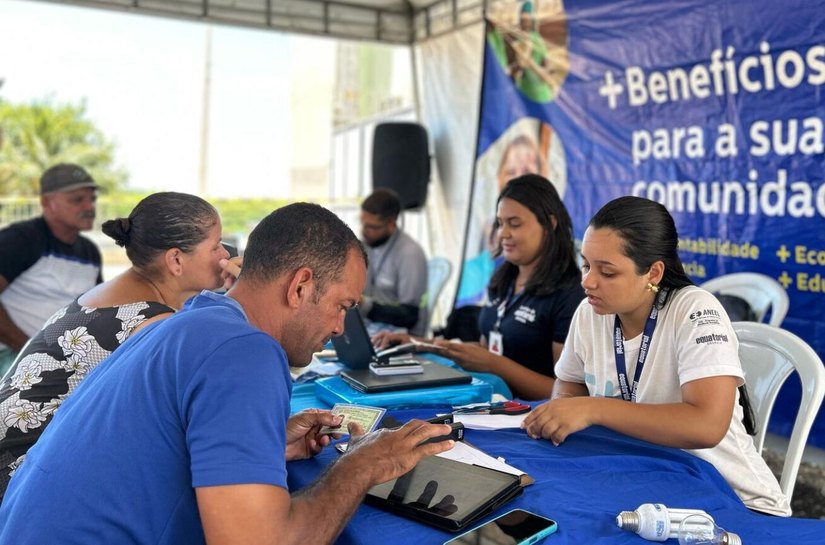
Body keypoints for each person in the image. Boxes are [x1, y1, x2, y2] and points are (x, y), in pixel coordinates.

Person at [0, 202, 454, 543]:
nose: (339, 327)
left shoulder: (194, 320)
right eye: (342, 306)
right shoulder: (246, 351)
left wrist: (264, 448)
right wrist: (362, 464)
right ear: (300, 286)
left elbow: (158, 449)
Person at [522, 196, 790, 516]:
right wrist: (565, 411)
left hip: (731, 499)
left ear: (653, 273)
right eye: (586, 264)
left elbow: (707, 425)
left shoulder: (695, 312)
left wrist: (594, 408)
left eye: (607, 272)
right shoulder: (589, 313)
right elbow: (569, 389)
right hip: (643, 483)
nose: (588, 282)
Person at [0, 191, 241, 498]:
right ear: (176, 260)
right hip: (22, 481)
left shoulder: (113, 294)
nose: (225, 255)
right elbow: (191, 419)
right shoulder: (152, 324)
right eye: (215, 245)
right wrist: (246, 299)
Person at [375, 175, 584, 400]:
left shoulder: (570, 295)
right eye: (500, 223)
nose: (503, 233)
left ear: (549, 224)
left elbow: (567, 395)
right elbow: (487, 350)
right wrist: (419, 344)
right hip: (490, 402)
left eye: (514, 224)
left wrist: (496, 365)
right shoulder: (503, 279)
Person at [0, 164, 102, 376]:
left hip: (62, 362)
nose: (89, 206)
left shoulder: (89, 252)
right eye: (77, 200)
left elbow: (98, 312)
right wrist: (30, 351)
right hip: (12, 357)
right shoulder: (21, 240)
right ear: (47, 202)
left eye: (91, 199)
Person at [359, 188, 429, 335]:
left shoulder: (410, 254)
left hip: (402, 335)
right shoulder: (367, 245)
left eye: (372, 227)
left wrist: (366, 306)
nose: (364, 232)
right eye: (363, 224)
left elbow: (409, 316)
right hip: (372, 328)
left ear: (391, 223)